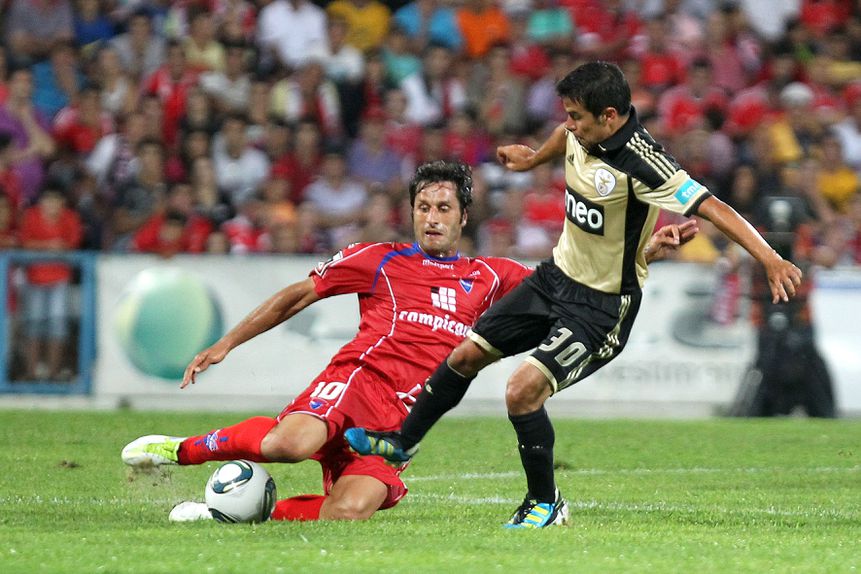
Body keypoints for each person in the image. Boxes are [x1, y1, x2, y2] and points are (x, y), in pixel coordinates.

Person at [345, 61, 803, 529]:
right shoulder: (579, 135)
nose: (568, 124)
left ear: (608, 116)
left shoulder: (644, 161)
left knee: (522, 391)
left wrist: (768, 257)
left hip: (600, 309)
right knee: (464, 355)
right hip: (553, 280)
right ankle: (403, 441)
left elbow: (712, 206)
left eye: (577, 116)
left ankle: (546, 503)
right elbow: (564, 139)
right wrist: (532, 160)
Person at [120, 159, 693, 523]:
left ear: (463, 215)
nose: (432, 217)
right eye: (423, 207)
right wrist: (226, 343)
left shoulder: (492, 276)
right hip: (352, 387)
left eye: (444, 207)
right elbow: (298, 295)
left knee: (347, 513)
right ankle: (180, 449)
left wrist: (647, 249)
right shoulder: (380, 259)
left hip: (398, 426)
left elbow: (569, 282)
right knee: (286, 446)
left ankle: (233, 513)